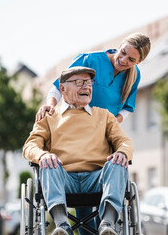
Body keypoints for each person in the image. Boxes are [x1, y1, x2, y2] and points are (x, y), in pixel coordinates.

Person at [23, 66, 134, 235]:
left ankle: (107, 225)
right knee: (48, 162)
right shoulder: (49, 118)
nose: (86, 87)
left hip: (97, 178)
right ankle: (62, 225)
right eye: (79, 82)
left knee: (118, 162)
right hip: (63, 178)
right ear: (62, 89)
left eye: (89, 82)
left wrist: (122, 152)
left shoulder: (104, 116)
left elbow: (125, 141)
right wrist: (43, 155)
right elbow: (30, 146)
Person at [36, 32, 151, 124]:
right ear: (120, 46)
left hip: (102, 135)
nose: (123, 60)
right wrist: (51, 105)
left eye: (131, 59)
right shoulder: (89, 60)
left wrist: (113, 123)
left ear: (139, 61)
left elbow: (127, 108)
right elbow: (58, 87)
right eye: (123, 52)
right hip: (75, 125)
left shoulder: (135, 76)